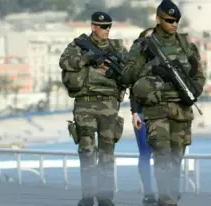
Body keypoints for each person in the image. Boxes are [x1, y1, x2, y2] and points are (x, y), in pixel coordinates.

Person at [120, 0, 206, 205]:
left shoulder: (186, 45)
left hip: (182, 110)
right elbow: (126, 76)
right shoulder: (144, 46)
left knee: (175, 159)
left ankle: (169, 197)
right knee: (162, 157)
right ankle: (166, 201)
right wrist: (145, 60)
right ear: (158, 19)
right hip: (156, 110)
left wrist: (192, 92)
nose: (174, 23)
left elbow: (199, 76)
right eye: (169, 20)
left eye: (176, 20)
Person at [58, 11, 127, 206]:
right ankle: (88, 195)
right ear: (93, 27)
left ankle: (105, 197)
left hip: (109, 104)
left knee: (107, 152)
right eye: (103, 27)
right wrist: (85, 59)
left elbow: (129, 72)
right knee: (86, 150)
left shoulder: (117, 48)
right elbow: (64, 62)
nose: (107, 30)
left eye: (109, 27)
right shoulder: (78, 46)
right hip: (85, 103)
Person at [130, 27, 157, 206]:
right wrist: (134, 113)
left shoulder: (164, 61)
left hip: (163, 112)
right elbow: (132, 90)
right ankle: (148, 192)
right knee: (145, 154)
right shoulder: (136, 64)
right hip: (142, 113)